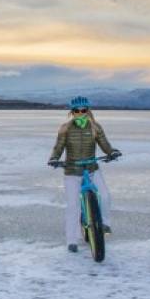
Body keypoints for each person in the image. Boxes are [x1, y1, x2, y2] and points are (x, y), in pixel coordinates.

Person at [48, 96, 121, 253]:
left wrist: (112, 152)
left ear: (88, 111)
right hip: (72, 170)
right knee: (73, 206)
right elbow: (58, 147)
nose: (81, 113)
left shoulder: (95, 127)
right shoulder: (65, 128)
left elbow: (105, 144)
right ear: (72, 112)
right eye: (77, 110)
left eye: (84, 110)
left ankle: (104, 224)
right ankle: (71, 240)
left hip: (91, 168)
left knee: (105, 196)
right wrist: (54, 158)